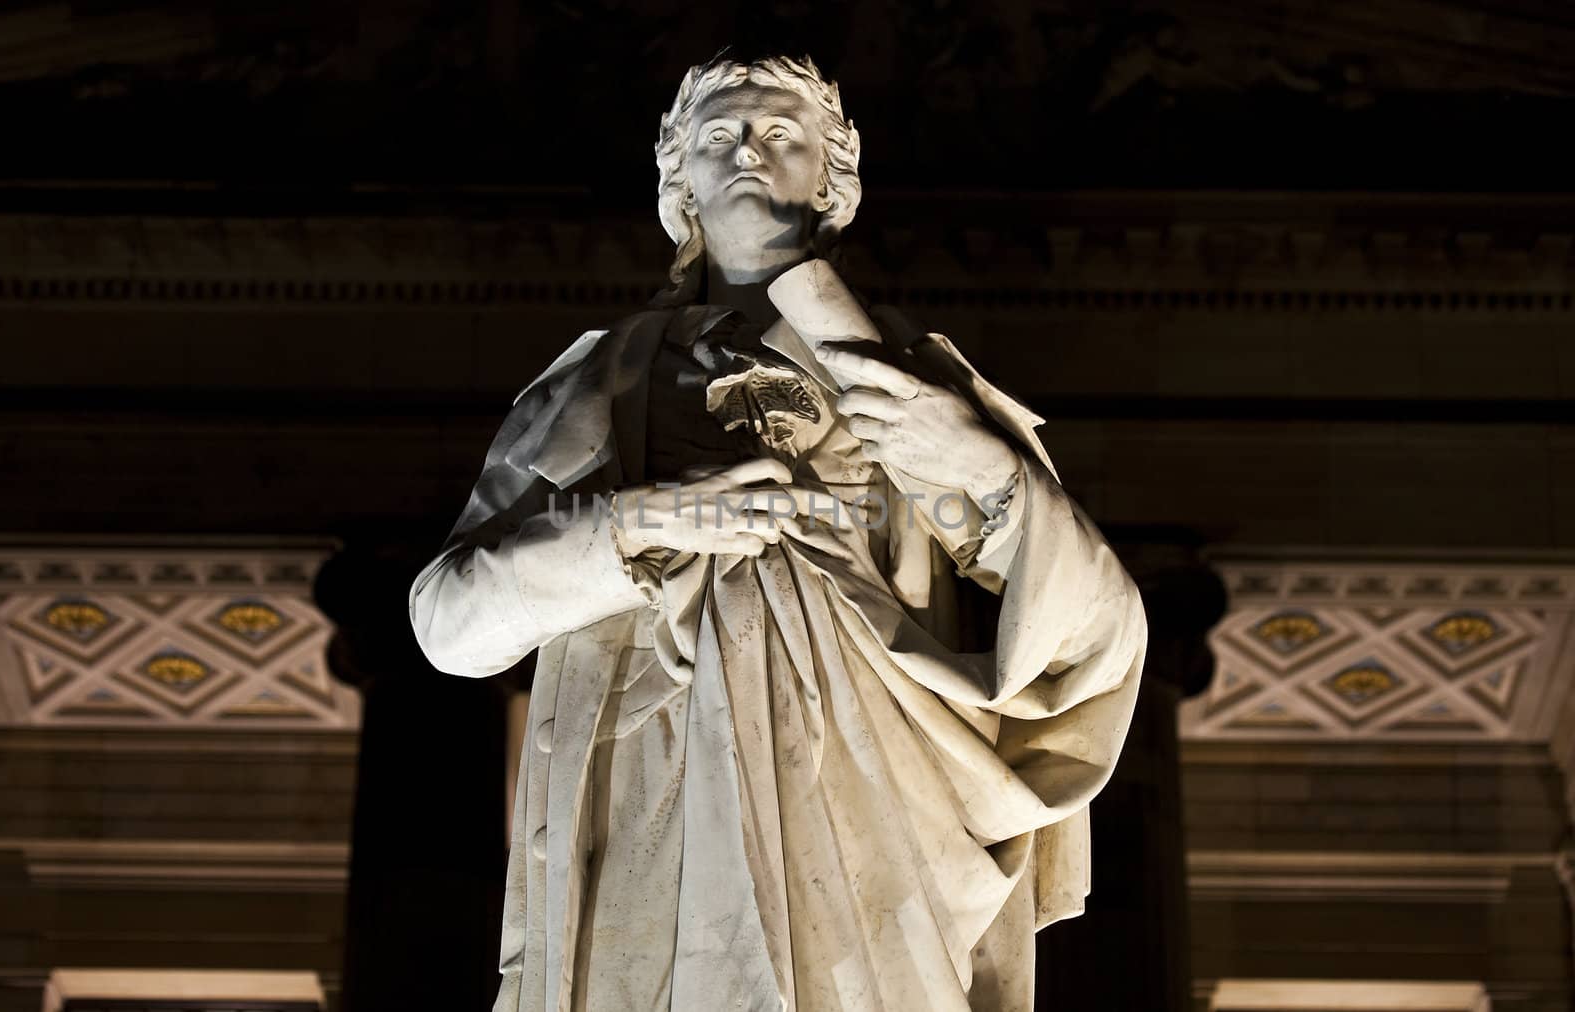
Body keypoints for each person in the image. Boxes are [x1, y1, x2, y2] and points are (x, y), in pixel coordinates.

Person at [410, 54, 1146, 1012]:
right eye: (721, 136)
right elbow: (449, 626)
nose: (750, 151)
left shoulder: (920, 387)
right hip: (656, 813)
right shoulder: (598, 388)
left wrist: (987, 471)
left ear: (831, 178)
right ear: (680, 181)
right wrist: (635, 528)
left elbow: (1097, 632)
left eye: (782, 135)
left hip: (876, 818)